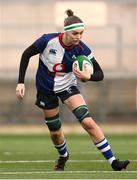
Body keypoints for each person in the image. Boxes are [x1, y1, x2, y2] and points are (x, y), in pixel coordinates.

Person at [16, 9, 130, 171]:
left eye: (81, 33)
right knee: (55, 132)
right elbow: (26, 54)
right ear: (66, 32)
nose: (79, 37)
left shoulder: (82, 50)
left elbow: (100, 74)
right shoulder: (48, 40)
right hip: (45, 89)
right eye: (75, 33)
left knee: (88, 122)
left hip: (68, 88)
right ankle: (63, 156)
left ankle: (113, 162)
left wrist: (88, 76)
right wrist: (20, 82)